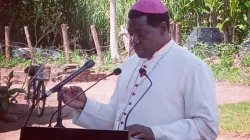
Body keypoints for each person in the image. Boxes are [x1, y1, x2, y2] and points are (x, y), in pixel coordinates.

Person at [62, 0, 219, 139]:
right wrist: (85, 105)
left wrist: (156, 134)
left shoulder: (192, 67)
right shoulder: (130, 64)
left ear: (163, 28)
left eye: (142, 34)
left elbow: (206, 126)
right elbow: (116, 119)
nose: (134, 41)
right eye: (131, 34)